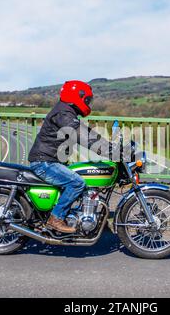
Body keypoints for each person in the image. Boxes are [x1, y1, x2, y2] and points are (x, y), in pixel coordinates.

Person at [28, 80, 111, 234]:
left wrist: (107, 146)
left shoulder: (65, 112)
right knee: (77, 183)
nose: (88, 102)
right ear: (77, 96)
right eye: (87, 99)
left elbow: (85, 132)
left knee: (80, 178)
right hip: (44, 162)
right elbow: (80, 134)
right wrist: (108, 149)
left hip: (49, 160)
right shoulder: (63, 113)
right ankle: (55, 218)